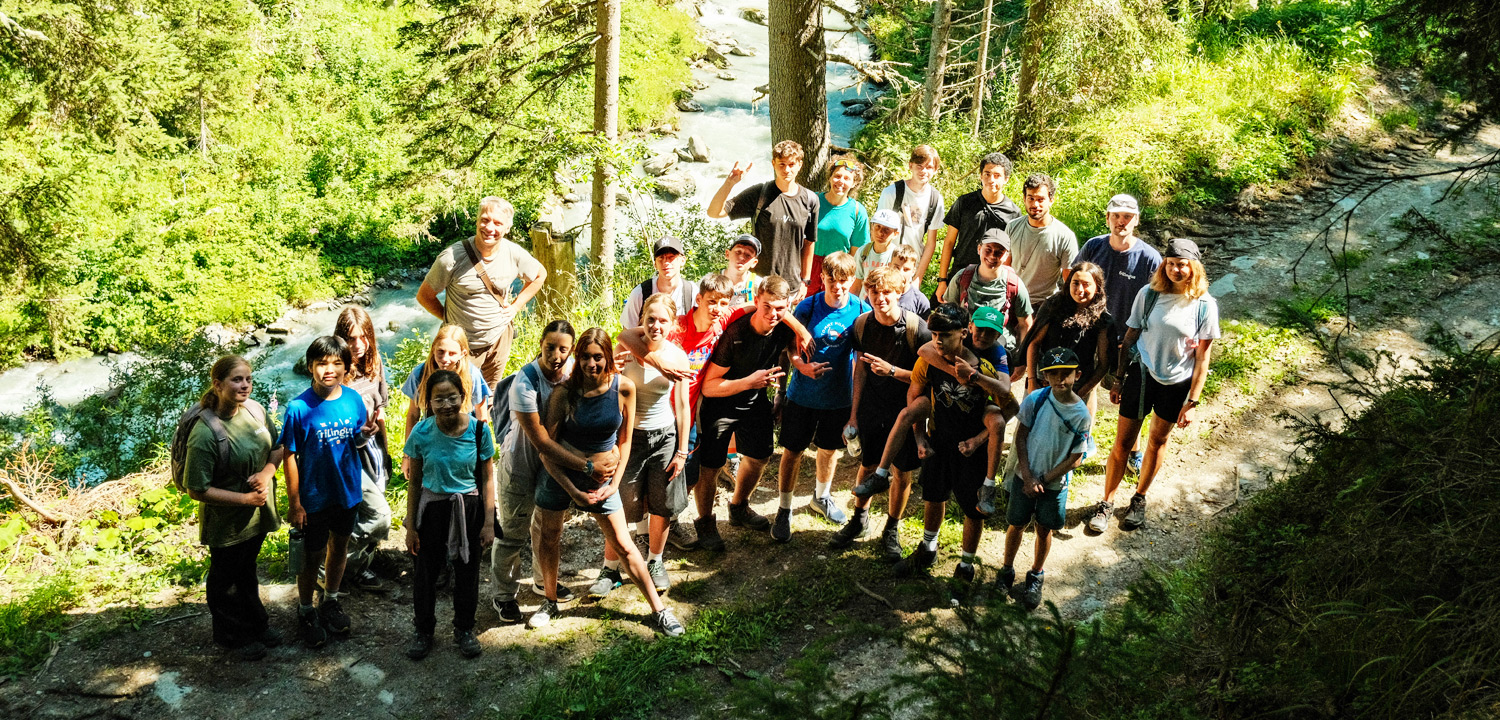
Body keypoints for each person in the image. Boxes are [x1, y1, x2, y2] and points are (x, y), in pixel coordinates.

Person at [529, 328, 685, 636]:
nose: (591, 364)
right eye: (584, 357)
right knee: (550, 537)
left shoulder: (624, 388)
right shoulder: (564, 394)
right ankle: (549, 601)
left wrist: (614, 483)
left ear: (608, 358)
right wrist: (572, 487)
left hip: (601, 479)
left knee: (624, 545)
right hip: (561, 475)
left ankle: (659, 610)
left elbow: (625, 439)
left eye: (598, 357)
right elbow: (547, 450)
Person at [1087, 239, 1220, 534]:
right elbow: (1130, 338)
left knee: (1157, 442)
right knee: (1122, 444)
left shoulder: (1205, 305)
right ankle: (1106, 502)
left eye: (1181, 264)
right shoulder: (1148, 295)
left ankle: (1139, 498)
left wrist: (1193, 401)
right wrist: (1119, 378)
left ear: (1193, 267)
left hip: (1175, 384)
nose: (1175, 269)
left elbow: (1202, 358)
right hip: (1142, 375)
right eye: (1170, 263)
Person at [892, 304, 1010, 579]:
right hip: (939, 438)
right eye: (934, 334)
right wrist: (920, 437)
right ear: (969, 329)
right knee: (933, 496)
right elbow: (915, 395)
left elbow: (1009, 403)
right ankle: (927, 549)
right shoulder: (930, 356)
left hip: (970, 447)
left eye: (945, 334)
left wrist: (980, 440)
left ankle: (966, 565)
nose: (938, 340)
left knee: (974, 508)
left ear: (961, 333)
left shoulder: (992, 360)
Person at [183, 356, 284, 661]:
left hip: (257, 513)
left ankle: (256, 623)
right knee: (225, 578)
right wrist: (243, 500)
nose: (244, 386)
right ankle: (230, 636)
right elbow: (196, 489)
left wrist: (267, 473)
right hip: (227, 521)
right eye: (236, 380)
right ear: (217, 384)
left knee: (247, 569)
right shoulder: (205, 433)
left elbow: (277, 447)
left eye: (248, 379)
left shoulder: (254, 411)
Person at [828, 268, 931, 561]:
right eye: (874, 291)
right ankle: (859, 519)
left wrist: (893, 371)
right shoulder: (862, 325)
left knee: (901, 471)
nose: (880, 297)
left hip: (906, 410)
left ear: (899, 292)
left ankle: (891, 529)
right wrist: (853, 414)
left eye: (886, 292)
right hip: (872, 406)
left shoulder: (917, 329)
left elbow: (928, 378)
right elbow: (859, 368)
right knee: (868, 464)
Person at [692, 275, 801, 550]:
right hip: (721, 402)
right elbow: (710, 386)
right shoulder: (735, 333)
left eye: (780, 308)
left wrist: (779, 392)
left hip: (755, 400)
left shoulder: (784, 327)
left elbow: (787, 355)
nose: (773, 314)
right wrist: (749, 382)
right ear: (756, 301)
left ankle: (738, 505)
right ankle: (705, 522)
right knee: (711, 467)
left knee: (760, 456)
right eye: (767, 306)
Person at [490, 321, 586, 624]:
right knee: (512, 533)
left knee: (543, 526)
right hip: (520, 462)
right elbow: (541, 441)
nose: (556, 355)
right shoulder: (525, 382)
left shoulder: (570, 374)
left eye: (563, 349)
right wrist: (585, 467)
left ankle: (543, 581)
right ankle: (503, 595)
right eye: (550, 347)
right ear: (540, 344)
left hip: (551, 465)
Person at [280, 336, 371, 648]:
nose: (329, 370)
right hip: (314, 496)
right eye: (321, 364)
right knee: (311, 555)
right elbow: (289, 455)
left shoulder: (354, 400)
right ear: (310, 367)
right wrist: (295, 503)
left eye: (336, 364)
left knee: (340, 547)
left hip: (347, 491)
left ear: (347, 368)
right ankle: (306, 610)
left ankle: (330, 600)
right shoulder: (298, 408)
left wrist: (366, 437)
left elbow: (356, 438)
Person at [775, 252, 870, 542]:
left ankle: (821, 497)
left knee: (829, 451)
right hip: (802, 395)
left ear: (852, 280)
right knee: (792, 452)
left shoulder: (860, 310)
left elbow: (862, 361)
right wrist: (801, 365)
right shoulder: (809, 306)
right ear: (822, 278)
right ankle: (784, 508)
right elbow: (789, 346)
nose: (837, 287)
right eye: (832, 280)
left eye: (843, 281)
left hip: (839, 398)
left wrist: (855, 410)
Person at [402, 370, 495, 660]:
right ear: (428, 402)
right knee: (425, 572)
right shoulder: (421, 433)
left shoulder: (479, 432)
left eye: (451, 397)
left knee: (467, 570)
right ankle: (423, 631)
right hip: (431, 508)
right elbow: (415, 482)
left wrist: (489, 521)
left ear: (463, 396)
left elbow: (488, 478)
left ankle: (464, 629)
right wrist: (411, 526)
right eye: (438, 399)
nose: (446, 405)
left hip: (468, 507)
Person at [605, 294, 692, 594]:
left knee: (661, 503)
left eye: (663, 320)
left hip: (664, 436)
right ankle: (611, 568)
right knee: (618, 502)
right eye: (650, 319)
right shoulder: (625, 347)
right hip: (629, 436)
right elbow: (609, 388)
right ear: (641, 319)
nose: (656, 325)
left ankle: (655, 561)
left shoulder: (678, 356)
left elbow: (682, 405)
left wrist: (682, 450)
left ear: (673, 324)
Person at [416, 196, 546, 388]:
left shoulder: (513, 254)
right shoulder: (451, 258)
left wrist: (517, 305)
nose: (489, 228)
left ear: (507, 228)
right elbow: (424, 296)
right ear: (477, 221)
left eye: (498, 223)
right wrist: (449, 319)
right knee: (454, 396)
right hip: (461, 348)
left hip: (499, 340)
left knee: (488, 395)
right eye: (485, 220)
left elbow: (539, 275)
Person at [999, 348, 1093, 609]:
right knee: (1016, 523)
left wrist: (1043, 479)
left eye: (1066, 374)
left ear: (1078, 375)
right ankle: (1006, 569)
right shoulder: (1035, 400)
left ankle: (1036, 574)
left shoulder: (1081, 415)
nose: (1060, 380)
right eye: (1054, 375)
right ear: (1044, 377)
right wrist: (1028, 476)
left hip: (1053, 484)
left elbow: (1076, 457)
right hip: (1024, 477)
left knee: (1044, 527)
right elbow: (1021, 436)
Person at [1078, 194, 1161, 475]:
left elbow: (1157, 301)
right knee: (1087, 383)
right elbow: (1076, 280)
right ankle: (1085, 437)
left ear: (1136, 220)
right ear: (1108, 218)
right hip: (1093, 330)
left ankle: (1133, 451)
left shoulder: (1150, 258)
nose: (1121, 222)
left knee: (1126, 394)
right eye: (1116, 216)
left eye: (1127, 217)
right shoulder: (1094, 246)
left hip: (1129, 338)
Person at [332, 306, 391, 592]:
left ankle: (358, 566)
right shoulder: (334, 372)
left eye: (363, 337)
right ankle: (333, 565)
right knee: (372, 515)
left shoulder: (374, 363)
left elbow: (380, 409)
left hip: (374, 450)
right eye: (352, 338)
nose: (358, 345)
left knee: (370, 510)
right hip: (347, 455)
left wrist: (388, 451)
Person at [707, 141, 820, 289]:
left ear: (800, 165)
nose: (787, 170)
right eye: (782, 164)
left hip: (791, 285)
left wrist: (805, 281)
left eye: (791, 164)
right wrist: (730, 183)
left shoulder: (810, 199)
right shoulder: (760, 193)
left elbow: (809, 242)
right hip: (758, 283)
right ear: (773, 163)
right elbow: (714, 212)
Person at [1022, 262, 1112, 408]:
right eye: (1075, 283)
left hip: (1077, 385)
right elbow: (1034, 343)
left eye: (1086, 284)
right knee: (1031, 424)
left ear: (1097, 288)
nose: (1080, 290)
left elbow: (1103, 363)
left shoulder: (1102, 319)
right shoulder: (1053, 305)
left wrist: (1080, 393)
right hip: (1043, 380)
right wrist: (1032, 381)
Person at [936, 152, 1021, 299]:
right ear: (981, 176)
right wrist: (942, 280)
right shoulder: (964, 202)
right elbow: (949, 242)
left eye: (997, 175)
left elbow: (1011, 252)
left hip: (991, 281)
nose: (991, 180)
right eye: (987, 174)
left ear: (1006, 179)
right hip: (960, 275)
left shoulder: (1013, 213)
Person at [943, 227, 1033, 363]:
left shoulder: (1014, 284)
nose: (992, 256)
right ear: (979, 249)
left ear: (1007, 255)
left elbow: (1024, 325)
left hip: (1000, 349)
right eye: (988, 249)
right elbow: (948, 314)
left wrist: (1020, 359)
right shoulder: (962, 278)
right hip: (965, 346)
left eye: (999, 252)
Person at [401, 325, 492, 448]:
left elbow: (482, 416)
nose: (445, 359)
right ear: (433, 349)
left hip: (464, 441)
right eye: (441, 351)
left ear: (462, 353)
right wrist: (408, 453)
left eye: (452, 353)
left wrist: (483, 451)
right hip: (431, 439)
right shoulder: (420, 374)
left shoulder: (472, 375)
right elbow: (413, 415)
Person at [875, 145, 946, 281]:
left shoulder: (935, 199)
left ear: (936, 170)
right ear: (910, 165)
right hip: (887, 264)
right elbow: (878, 232)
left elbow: (931, 243)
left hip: (912, 267)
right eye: (919, 166)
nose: (923, 171)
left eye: (929, 167)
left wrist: (918, 278)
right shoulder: (892, 192)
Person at [1005, 173, 1078, 303]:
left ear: (1051, 200)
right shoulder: (1012, 227)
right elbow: (1005, 267)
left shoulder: (1064, 236)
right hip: (1013, 300)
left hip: (1045, 304)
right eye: (1031, 198)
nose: (1035, 205)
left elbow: (1070, 280)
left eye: (1040, 199)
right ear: (1024, 199)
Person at [810, 156, 870, 296]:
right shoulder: (813, 201)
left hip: (838, 270)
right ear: (830, 178)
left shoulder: (857, 211)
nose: (841, 182)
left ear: (854, 183)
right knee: (805, 310)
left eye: (847, 178)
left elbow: (856, 254)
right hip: (810, 265)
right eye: (837, 176)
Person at [621, 237, 697, 328]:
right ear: (655, 264)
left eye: (671, 257)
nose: (666, 262)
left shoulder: (692, 293)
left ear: (682, 260)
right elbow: (627, 332)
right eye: (661, 258)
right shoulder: (641, 293)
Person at [853, 209, 902, 292]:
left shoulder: (896, 256)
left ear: (895, 234)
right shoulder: (863, 252)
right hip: (864, 302)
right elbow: (857, 284)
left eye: (887, 229)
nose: (880, 232)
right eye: (878, 227)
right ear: (872, 227)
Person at [890, 244, 931, 318]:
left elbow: (924, 328)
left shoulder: (920, 301)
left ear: (913, 271)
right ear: (889, 266)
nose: (900, 273)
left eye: (906, 269)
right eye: (896, 267)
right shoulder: (878, 294)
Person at [720, 234, 761, 307]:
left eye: (748, 255)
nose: (742, 257)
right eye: (738, 252)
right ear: (727, 254)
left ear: (754, 263)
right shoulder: (709, 281)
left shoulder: (760, 285)